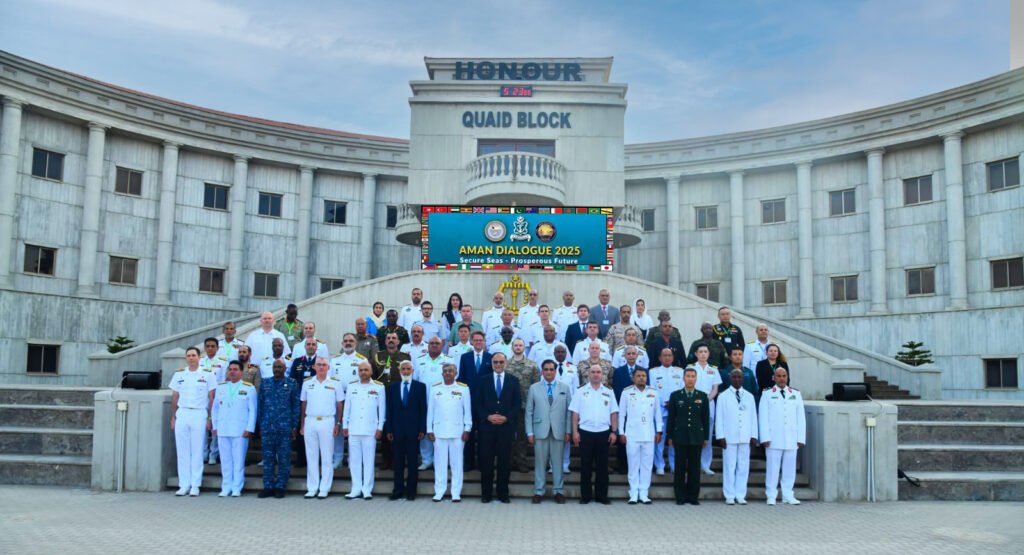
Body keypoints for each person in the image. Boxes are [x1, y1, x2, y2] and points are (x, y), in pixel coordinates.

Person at [169, 347, 216, 496]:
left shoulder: (208, 374)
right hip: (182, 413)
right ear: (185, 358)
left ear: (199, 357)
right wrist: (173, 417)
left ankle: (195, 484)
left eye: (193, 355)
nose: (191, 358)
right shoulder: (179, 374)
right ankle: (184, 484)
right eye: (188, 355)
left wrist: (210, 418)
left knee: (197, 450)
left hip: (199, 413)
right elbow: (175, 397)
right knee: (182, 451)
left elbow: (211, 398)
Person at [474, 352, 520, 503]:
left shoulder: (513, 380)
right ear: (492, 364)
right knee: (486, 462)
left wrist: (507, 418)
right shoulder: (483, 380)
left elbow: (517, 404)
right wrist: (487, 416)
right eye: (495, 362)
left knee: (504, 463)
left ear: (506, 363)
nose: (498, 365)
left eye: (501, 362)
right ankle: (486, 494)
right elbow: (478, 403)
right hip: (487, 428)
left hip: (505, 428)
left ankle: (503, 493)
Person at [570, 363, 618, 505]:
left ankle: (601, 496)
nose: (596, 374)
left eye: (598, 372)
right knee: (585, 466)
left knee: (602, 466)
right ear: (588, 374)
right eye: (593, 372)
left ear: (602, 375)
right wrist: (575, 432)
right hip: (585, 432)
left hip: (603, 432)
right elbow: (575, 414)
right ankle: (585, 496)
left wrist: (614, 431)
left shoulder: (609, 391)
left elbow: (614, 413)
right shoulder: (580, 391)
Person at [525, 359, 572, 504]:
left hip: (559, 430)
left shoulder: (565, 388)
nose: (549, 372)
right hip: (540, 430)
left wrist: (568, 431)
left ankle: (558, 491)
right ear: (542, 371)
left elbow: (569, 412)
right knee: (540, 463)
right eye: (546, 369)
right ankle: (539, 491)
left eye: (551, 369)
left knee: (558, 462)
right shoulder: (534, 388)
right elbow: (529, 411)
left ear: (555, 371)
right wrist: (530, 432)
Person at [759, 366, 805, 505]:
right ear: (774, 378)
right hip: (774, 438)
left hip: (791, 437)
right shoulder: (767, 394)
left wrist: (801, 438)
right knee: (772, 469)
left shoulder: (795, 394)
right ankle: (771, 495)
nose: (781, 379)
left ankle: (788, 495)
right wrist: (765, 437)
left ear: (787, 377)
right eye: (778, 376)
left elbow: (800, 418)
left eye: (784, 376)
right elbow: (763, 417)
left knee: (789, 469)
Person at [299, 357, 344, 499]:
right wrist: (302, 424)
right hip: (310, 420)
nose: (321, 367)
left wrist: (338, 423)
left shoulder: (335, 383)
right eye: (318, 365)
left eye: (324, 365)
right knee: (311, 456)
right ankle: (312, 487)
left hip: (327, 421)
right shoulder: (307, 383)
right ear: (314, 367)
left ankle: (324, 487)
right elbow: (303, 404)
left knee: (327, 456)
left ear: (328, 367)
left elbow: (340, 404)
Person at [212, 360, 257, 497]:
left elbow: (253, 410)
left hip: (239, 429)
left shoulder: (249, 388)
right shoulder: (221, 387)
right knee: (225, 460)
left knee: (238, 460)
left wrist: (249, 428)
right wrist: (215, 426)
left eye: (235, 369)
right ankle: (226, 487)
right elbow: (215, 408)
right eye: (230, 369)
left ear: (241, 372)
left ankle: (237, 487)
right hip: (223, 428)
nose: (232, 372)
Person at [428, 363, 472, 502]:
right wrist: (429, 429)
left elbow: (467, 411)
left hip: (457, 431)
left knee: (457, 464)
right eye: (445, 371)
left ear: (455, 373)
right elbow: (430, 411)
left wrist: (467, 428)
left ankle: (456, 492)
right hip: (439, 431)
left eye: (450, 371)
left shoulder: (463, 389)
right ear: (442, 373)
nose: (448, 373)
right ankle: (439, 491)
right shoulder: (435, 388)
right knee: (439, 464)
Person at [666, 367, 710, 505]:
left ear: (696, 379)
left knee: (694, 468)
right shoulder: (675, 395)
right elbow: (671, 418)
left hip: (696, 436)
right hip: (680, 436)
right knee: (679, 468)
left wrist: (706, 437)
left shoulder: (702, 396)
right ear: (683, 378)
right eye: (688, 376)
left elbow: (705, 418)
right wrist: (670, 436)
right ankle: (680, 496)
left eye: (692, 376)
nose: (690, 379)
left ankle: (693, 497)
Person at [618, 367, 662, 504]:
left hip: (648, 433)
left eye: (644, 375)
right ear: (633, 378)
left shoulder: (653, 392)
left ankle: (644, 493)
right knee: (633, 464)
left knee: (647, 466)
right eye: (638, 376)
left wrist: (659, 431)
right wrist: (621, 432)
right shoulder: (626, 392)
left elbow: (658, 414)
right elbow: (621, 414)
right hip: (632, 434)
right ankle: (633, 492)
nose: (641, 378)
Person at [343, 361, 386, 500]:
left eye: (366, 370)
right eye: (361, 370)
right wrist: (344, 425)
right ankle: (356, 488)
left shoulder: (379, 387)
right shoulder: (351, 386)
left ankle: (367, 489)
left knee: (368, 461)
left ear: (371, 371)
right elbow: (347, 407)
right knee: (354, 461)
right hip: (354, 428)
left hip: (370, 429)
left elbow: (382, 410)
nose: (363, 372)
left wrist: (380, 427)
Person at [385, 360, 427, 501]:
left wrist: (422, 428)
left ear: (412, 370)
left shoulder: (420, 387)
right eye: (403, 369)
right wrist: (389, 429)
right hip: (397, 430)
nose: (406, 371)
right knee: (398, 463)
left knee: (413, 463)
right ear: (399, 370)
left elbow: (423, 409)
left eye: (408, 369)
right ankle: (397, 490)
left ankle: (411, 491)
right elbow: (389, 410)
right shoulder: (392, 387)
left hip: (414, 431)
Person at [258, 358, 299, 499]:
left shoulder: (292, 383)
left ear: (285, 369)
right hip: (268, 427)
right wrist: (261, 424)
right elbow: (260, 405)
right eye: (275, 367)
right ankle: (268, 486)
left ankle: (281, 486)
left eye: (280, 367)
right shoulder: (265, 383)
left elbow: (295, 406)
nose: (277, 369)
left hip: (285, 427)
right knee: (268, 458)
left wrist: (294, 426)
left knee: (284, 458)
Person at [716, 368, 759, 505]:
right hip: (729, 437)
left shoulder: (749, 396)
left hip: (745, 436)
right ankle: (729, 495)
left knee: (743, 467)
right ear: (730, 378)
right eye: (734, 377)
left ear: (743, 379)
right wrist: (720, 436)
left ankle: (740, 494)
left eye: (739, 377)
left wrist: (754, 435)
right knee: (729, 466)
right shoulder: (723, 396)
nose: (737, 379)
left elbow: (753, 417)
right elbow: (719, 418)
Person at [413, 337, 453, 470]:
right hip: (423, 401)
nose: (434, 345)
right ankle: (426, 459)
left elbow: (453, 380)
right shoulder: (419, 360)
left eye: (437, 343)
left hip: (443, 401)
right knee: (425, 430)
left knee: (441, 430)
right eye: (432, 343)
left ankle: (440, 459)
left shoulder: (449, 360)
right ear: (428, 345)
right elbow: (415, 380)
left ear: (442, 345)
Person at [372, 332, 408, 470]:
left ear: (398, 341)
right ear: (385, 341)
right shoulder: (378, 356)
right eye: (388, 338)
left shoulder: (405, 357)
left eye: (394, 338)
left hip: (399, 396)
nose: (391, 340)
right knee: (385, 427)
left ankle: (398, 459)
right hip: (383, 396)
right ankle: (386, 459)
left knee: (399, 428)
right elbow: (373, 376)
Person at [506, 338, 539, 473]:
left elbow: (536, 386)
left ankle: (521, 462)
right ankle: (509, 462)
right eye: (516, 345)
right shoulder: (506, 364)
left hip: (525, 405)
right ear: (512, 347)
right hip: (508, 406)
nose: (518, 347)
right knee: (508, 435)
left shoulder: (532, 365)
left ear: (524, 348)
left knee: (522, 436)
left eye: (520, 345)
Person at [650, 348, 684, 475]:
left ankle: (674, 464)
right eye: (664, 355)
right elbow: (652, 391)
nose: (667, 357)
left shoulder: (680, 371)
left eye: (669, 355)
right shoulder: (653, 372)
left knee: (674, 440)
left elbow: (682, 390)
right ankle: (659, 465)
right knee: (659, 439)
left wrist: (674, 403)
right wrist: (663, 403)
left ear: (673, 357)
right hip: (660, 410)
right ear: (660, 358)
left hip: (676, 411)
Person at [691, 343, 723, 475]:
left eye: (705, 351)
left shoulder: (713, 370)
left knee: (707, 437)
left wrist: (707, 400)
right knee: (693, 435)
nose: (703, 354)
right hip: (693, 404)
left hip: (709, 404)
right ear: (696, 354)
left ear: (708, 354)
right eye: (700, 352)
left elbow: (715, 388)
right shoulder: (691, 369)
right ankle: (694, 464)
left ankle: (706, 465)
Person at [611, 346, 643, 474]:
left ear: (637, 355)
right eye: (628, 354)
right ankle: (623, 466)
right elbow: (617, 389)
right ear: (624, 356)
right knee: (623, 437)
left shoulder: (642, 371)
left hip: (639, 409)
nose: (631, 356)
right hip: (624, 408)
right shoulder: (618, 371)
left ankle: (637, 466)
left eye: (633, 354)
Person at [552, 344, 579, 474]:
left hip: (569, 406)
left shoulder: (572, 368)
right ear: (554, 353)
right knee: (552, 436)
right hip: (552, 406)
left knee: (566, 436)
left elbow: (576, 388)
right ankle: (552, 464)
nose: (560, 354)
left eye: (562, 352)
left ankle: (565, 464)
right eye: (558, 352)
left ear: (566, 353)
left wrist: (575, 407)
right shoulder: (549, 367)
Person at [199, 337, 227, 465]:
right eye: (208, 346)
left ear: (217, 348)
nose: (210, 348)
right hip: (201, 398)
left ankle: (213, 454)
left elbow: (224, 380)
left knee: (215, 427)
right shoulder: (200, 362)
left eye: (213, 346)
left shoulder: (223, 362)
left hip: (216, 397)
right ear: (204, 348)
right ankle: (203, 453)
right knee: (203, 428)